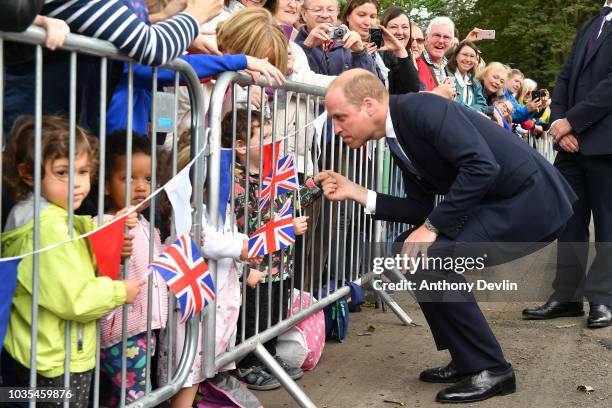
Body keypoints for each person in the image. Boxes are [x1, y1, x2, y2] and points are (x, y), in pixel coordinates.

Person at [316, 69, 576, 403]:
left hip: (531, 201)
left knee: (432, 256)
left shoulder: (422, 109)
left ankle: (493, 368)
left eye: (340, 117)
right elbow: (417, 207)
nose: (336, 129)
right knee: (408, 249)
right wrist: (357, 192)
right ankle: (468, 358)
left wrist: (432, 227)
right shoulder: (397, 132)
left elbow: (481, 166)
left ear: (368, 105)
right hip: (502, 202)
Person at [0, 116, 143, 407]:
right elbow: (73, 298)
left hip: (36, 354)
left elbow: (72, 251)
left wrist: (111, 230)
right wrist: (120, 292)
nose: (77, 184)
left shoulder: (37, 214)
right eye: (62, 172)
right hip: (54, 362)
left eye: (83, 171)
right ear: (28, 174)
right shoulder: (48, 228)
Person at [523, 1, 612, 328]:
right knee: (570, 222)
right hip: (571, 145)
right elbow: (564, 77)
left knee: (607, 225)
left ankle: (604, 300)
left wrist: (572, 122)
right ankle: (567, 296)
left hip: (605, 144)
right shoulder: (590, 24)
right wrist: (558, 123)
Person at [157, 141, 262, 408]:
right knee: (188, 371)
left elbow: (226, 237)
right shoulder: (187, 212)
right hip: (196, 309)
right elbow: (204, 239)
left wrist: (245, 251)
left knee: (205, 367)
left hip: (218, 304)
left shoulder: (217, 209)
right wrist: (241, 247)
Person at [221, 110, 309, 391]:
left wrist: (311, 189)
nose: (275, 142)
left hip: (281, 263)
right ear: (241, 146)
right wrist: (288, 228)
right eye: (267, 137)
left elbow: (287, 204)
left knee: (274, 315)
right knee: (253, 317)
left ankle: (268, 356)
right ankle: (248, 363)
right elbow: (253, 224)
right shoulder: (237, 182)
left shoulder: (276, 172)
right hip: (257, 267)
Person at [98, 133, 167, 406]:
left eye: (148, 179)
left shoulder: (147, 226)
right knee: (137, 399)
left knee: (126, 397)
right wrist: (115, 232)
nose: (141, 187)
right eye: (129, 178)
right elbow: (100, 269)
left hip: (143, 329)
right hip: (122, 335)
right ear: (105, 185)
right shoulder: (104, 223)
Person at [294, 0, 375, 75]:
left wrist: (360, 53)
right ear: (304, 14)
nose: (325, 15)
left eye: (331, 10)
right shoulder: (291, 44)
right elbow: (290, 77)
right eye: (317, 10)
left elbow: (370, 84)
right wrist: (306, 47)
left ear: (337, 12)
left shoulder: (347, 42)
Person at [378, 6, 421, 94]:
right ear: (383, 30)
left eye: (405, 27)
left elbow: (413, 89)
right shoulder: (377, 55)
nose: (400, 32)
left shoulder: (408, 54)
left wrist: (402, 53)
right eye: (394, 27)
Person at [445, 40, 488, 113]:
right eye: (465, 55)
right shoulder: (446, 74)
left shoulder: (474, 81)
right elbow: (455, 104)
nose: (468, 59)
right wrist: (473, 110)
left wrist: (469, 110)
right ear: (456, 56)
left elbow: (483, 105)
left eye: (472, 56)